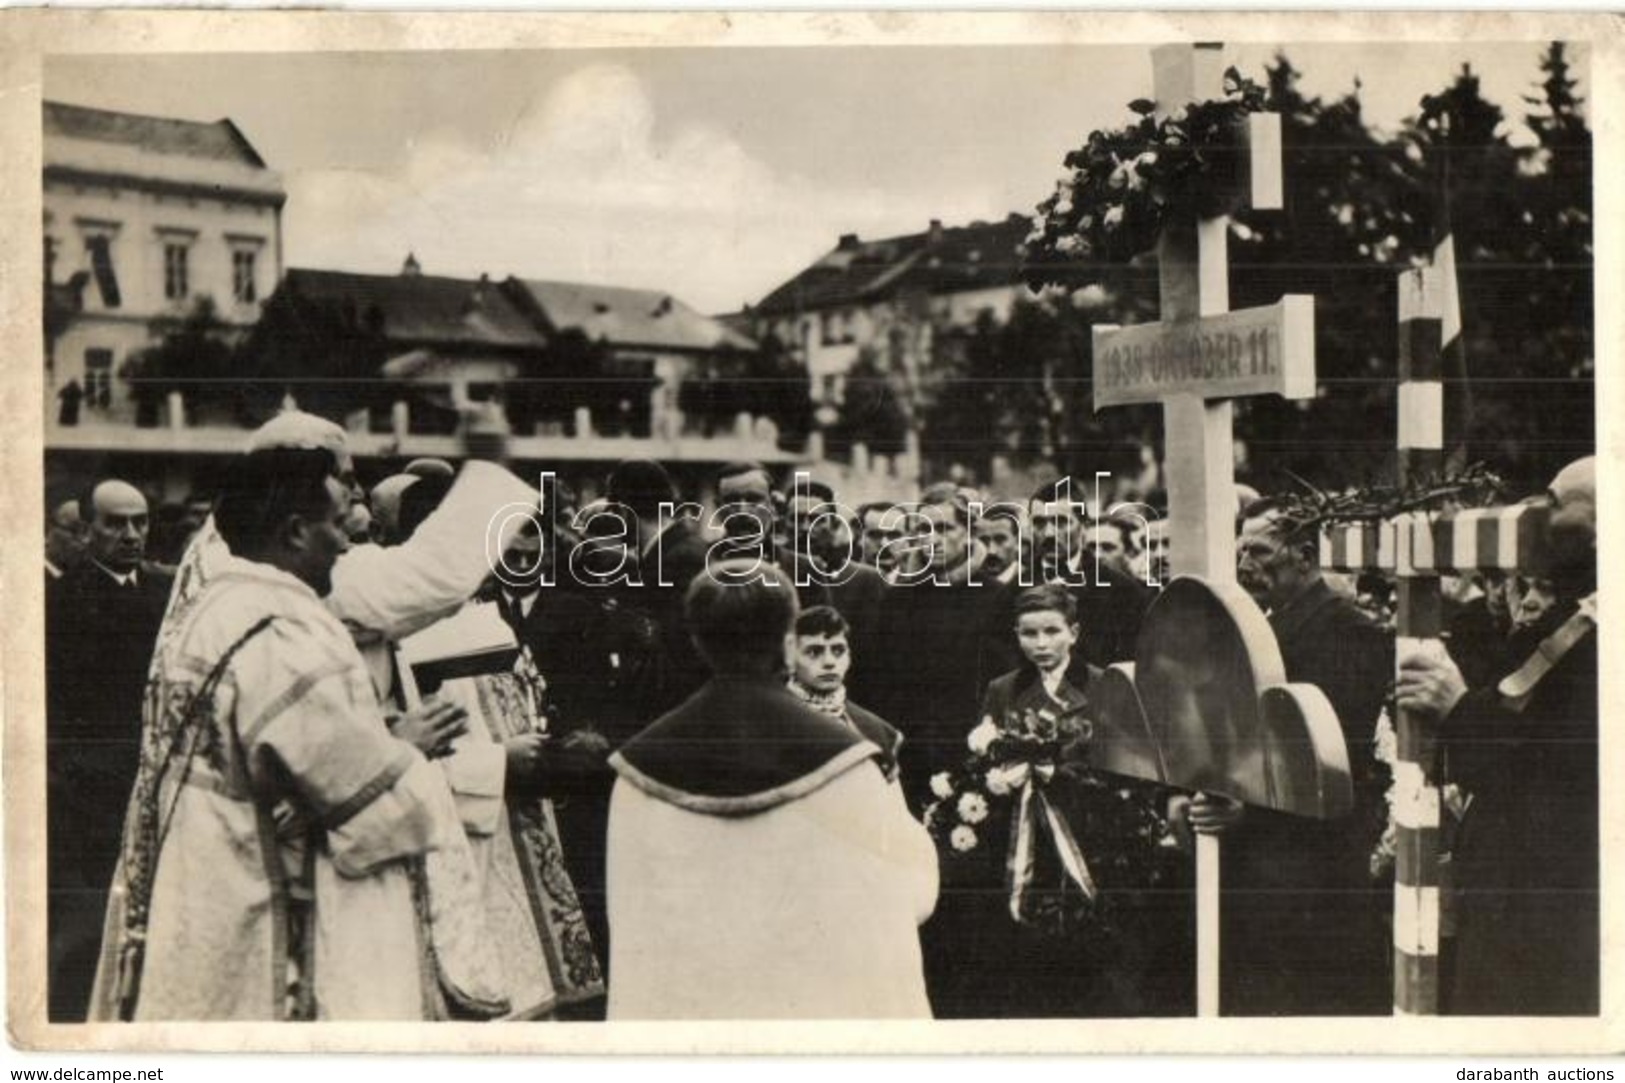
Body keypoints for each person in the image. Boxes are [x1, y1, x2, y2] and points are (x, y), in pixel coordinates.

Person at [90, 448, 493, 1021]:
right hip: (256, 888)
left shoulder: (210, 604)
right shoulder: (287, 632)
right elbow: (376, 815)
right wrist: (404, 746)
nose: (349, 540)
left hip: (198, 872)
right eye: (335, 522)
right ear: (297, 532)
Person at [605, 562, 938, 1019]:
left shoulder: (638, 772)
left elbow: (635, 927)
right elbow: (899, 905)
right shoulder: (847, 762)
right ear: (787, 641)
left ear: (697, 641)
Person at [1396, 457, 1597, 1015]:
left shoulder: (1587, 622)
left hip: (1538, 895)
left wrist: (1454, 705)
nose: (1539, 514)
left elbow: (1526, 743)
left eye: (1555, 503)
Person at [394, 492, 605, 1019]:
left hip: (521, 827)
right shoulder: (401, 635)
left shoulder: (482, 615)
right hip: (465, 834)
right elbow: (397, 755)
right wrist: (499, 762)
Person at [1213, 496, 1394, 1016]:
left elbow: (1327, 748)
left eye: (1260, 551)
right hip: (1267, 848)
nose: (1246, 565)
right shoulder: (1265, 623)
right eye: (1241, 551)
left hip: (1314, 854)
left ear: (1306, 554)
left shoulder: (1347, 630)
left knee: (1311, 1001)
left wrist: (1245, 805)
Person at [45, 479, 175, 1021]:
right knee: (90, 923)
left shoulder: (166, 592)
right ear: (85, 530)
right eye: (115, 523)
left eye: (139, 522)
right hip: (88, 793)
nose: (130, 535)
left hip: (155, 780)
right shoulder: (56, 600)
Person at [786, 606, 903, 782]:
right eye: (814, 652)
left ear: (849, 656)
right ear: (790, 659)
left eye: (838, 651)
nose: (829, 662)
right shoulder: (774, 721)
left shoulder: (880, 733)